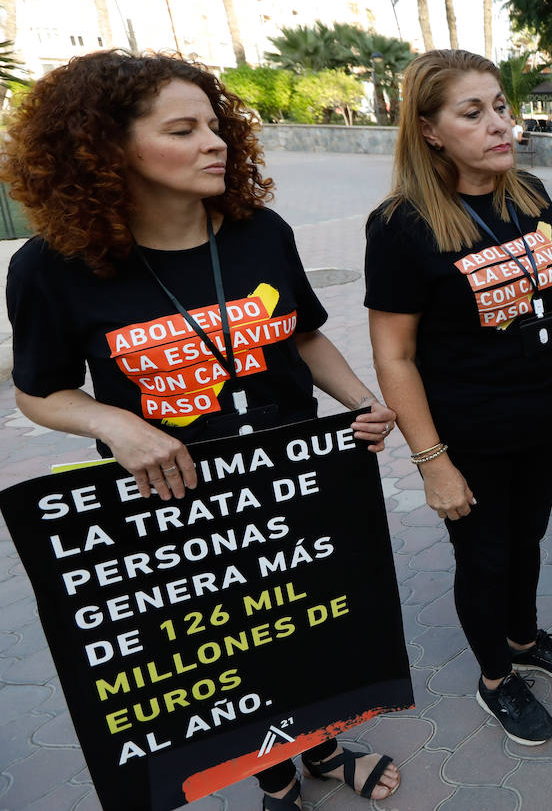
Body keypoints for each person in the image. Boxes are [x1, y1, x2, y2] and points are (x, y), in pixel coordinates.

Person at [2, 52, 401, 810]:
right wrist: (115, 423)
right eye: (182, 130)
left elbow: (304, 336)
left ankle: (323, 751)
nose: (214, 143)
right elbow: (38, 393)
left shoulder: (261, 233)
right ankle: (276, 776)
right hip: (177, 505)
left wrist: (360, 401)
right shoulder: (53, 268)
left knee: (304, 628)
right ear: (106, 149)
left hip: (295, 479)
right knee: (235, 647)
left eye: (215, 126)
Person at [365, 50, 552, 747]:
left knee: (527, 541)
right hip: (472, 434)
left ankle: (522, 639)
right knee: (485, 558)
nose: (499, 123)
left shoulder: (529, 192)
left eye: (499, 106)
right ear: (430, 130)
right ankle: (496, 677)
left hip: (545, 420)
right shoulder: (402, 226)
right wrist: (432, 462)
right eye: (474, 112)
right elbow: (394, 354)